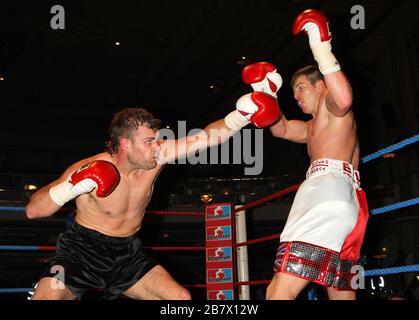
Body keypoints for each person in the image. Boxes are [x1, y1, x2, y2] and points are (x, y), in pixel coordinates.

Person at [25, 77, 281, 299]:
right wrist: (70, 187)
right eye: (149, 141)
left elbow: (205, 138)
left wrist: (241, 117)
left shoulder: (157, 157)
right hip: (79, 253)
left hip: (126, 253)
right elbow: (33, 211)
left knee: (179, 298)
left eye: (157, 139)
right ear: (125, 144)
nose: (157, 146)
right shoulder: (89, 167)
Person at [266, 9, 369, 300]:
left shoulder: (331, 105)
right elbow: (280, 129)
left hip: (325, 191)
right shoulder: (312, 126)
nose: (296, 95)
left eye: (300, 88)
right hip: (346, 202)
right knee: (339, 291)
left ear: (320, 85)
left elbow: (344, 98)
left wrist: (321, 47)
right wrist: (267, 93)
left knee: (279, 291)